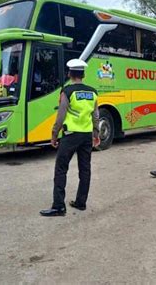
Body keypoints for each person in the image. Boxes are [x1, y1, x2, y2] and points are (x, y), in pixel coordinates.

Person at [40, 59, 100, 217]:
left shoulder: (67, 92)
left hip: (70, 135)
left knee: (61, 168)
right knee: (85, 169)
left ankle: (59, 206)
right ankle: (81, 202)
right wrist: (96, 133)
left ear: (69, 74)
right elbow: (96, 115)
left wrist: (54, 134)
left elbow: (61, 116)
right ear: (83, 75)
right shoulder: (93, 92)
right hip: (86, 136)